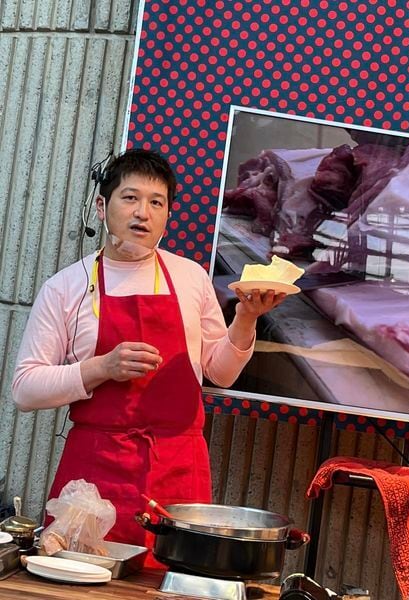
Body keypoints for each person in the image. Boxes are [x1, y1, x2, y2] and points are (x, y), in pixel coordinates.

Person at [12, 149, 287, 563]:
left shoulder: (191, 277)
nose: (143, 212)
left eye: (156, 202)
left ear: (168, 214)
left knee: (169, 582)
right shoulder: (66, 287)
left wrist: (246, 319)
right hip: (94, 477)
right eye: (130, 198)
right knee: (82, 581)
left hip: (178, 471)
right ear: (102, 206)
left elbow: (221, 373)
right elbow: (25, 389)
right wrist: (102, 367)